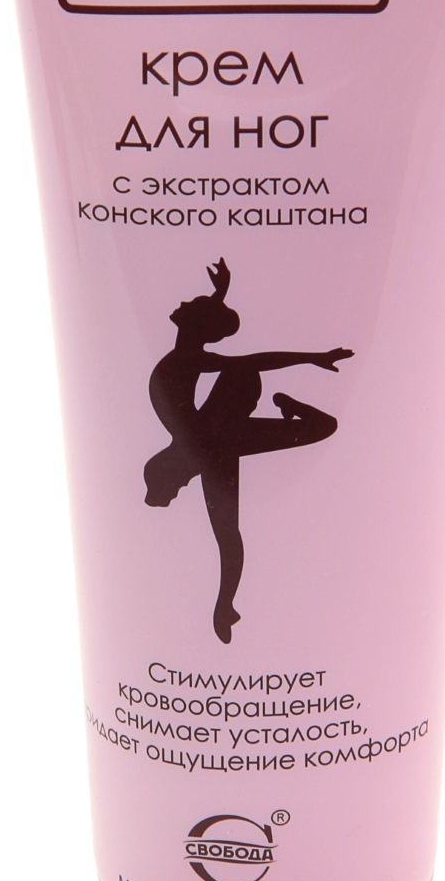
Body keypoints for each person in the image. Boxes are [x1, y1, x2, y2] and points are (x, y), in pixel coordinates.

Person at [144, 258, 352, 643]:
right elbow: (205, 338)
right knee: (321, 427)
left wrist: (311, 357)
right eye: (174, 488)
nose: (183, 302)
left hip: (222, 427)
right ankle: (226, 606)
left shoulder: (187, 359)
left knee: (258, 386)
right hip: (221, 438)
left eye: (172, 486)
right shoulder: (187, 358)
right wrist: (219, 296)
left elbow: (251, 360)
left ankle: (225, 605)